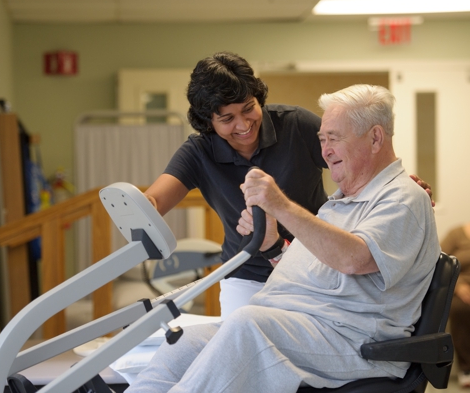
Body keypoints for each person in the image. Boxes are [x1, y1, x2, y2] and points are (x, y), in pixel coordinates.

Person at [126, 84, 440, 393]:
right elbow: (317, 270)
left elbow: (354, 258)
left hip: (352, 341)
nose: (325, 150)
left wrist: (281, 205)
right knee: (184, 343)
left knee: (248, 326)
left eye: (334, 138)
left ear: (375, 138)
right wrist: (273, 243)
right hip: (302, 325)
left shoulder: (402, 198)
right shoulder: (341, 203)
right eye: (322, 139)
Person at [143, 52, 434, 319]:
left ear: (258, 99)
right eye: (228, 119)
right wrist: (139, 210)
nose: (243, 125)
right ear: (208, 122)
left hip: (315, 267)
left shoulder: (296, 125)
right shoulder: (198, 152)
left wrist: (395, 185)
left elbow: (352, 153)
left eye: (249, 109)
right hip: (247, 274)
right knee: (239, 338)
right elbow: (155, 201)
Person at [440, 223, 470, 388]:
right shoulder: (456, 234)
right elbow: (440, 262)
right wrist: (458, 286)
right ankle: (467, 368)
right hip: (461, 288)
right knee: (459, 309)